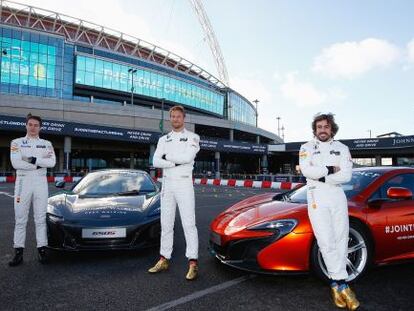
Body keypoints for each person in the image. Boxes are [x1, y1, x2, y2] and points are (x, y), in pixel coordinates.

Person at [299, 113, 359, 310]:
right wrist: (332, 170)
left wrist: (322, 174)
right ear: (315, 130)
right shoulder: (306, 147)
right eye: (319, 127)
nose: (322, 130)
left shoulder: (342, 148)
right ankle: (341, 284)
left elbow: (347, 175)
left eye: (326, 126)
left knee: (341, 238)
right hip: (317, 196)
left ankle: (336, 285)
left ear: (331, 129)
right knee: (326, 240)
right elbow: (307, 171)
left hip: (337, 195)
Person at [148, 105, 200, 280]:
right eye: (172, 116)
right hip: (167, 184)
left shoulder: (193, 137)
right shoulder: (164, 139)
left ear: (183, 118)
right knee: (166, 224)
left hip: (184, 184)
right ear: (170, 118)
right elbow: (155, 161)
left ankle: (193, 262)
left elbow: (187, 158)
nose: (175, 119)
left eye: (178, 116)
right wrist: (171, 163)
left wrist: (167, 158)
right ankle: (164, 259)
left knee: (189, 224)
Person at [9, 114, 56, 266]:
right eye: (30, 124)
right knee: (20, 218)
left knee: (40, 218)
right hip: (23, 181)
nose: (33, 127)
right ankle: (18, 252)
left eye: (36, 125)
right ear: (26, 125)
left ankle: (42, 250)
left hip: (41, 182)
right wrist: (41, 162)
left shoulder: (47, 143)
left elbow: (52, 162)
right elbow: (16, 163)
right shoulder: (16, 142)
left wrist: (30, 159)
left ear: (40, 127)